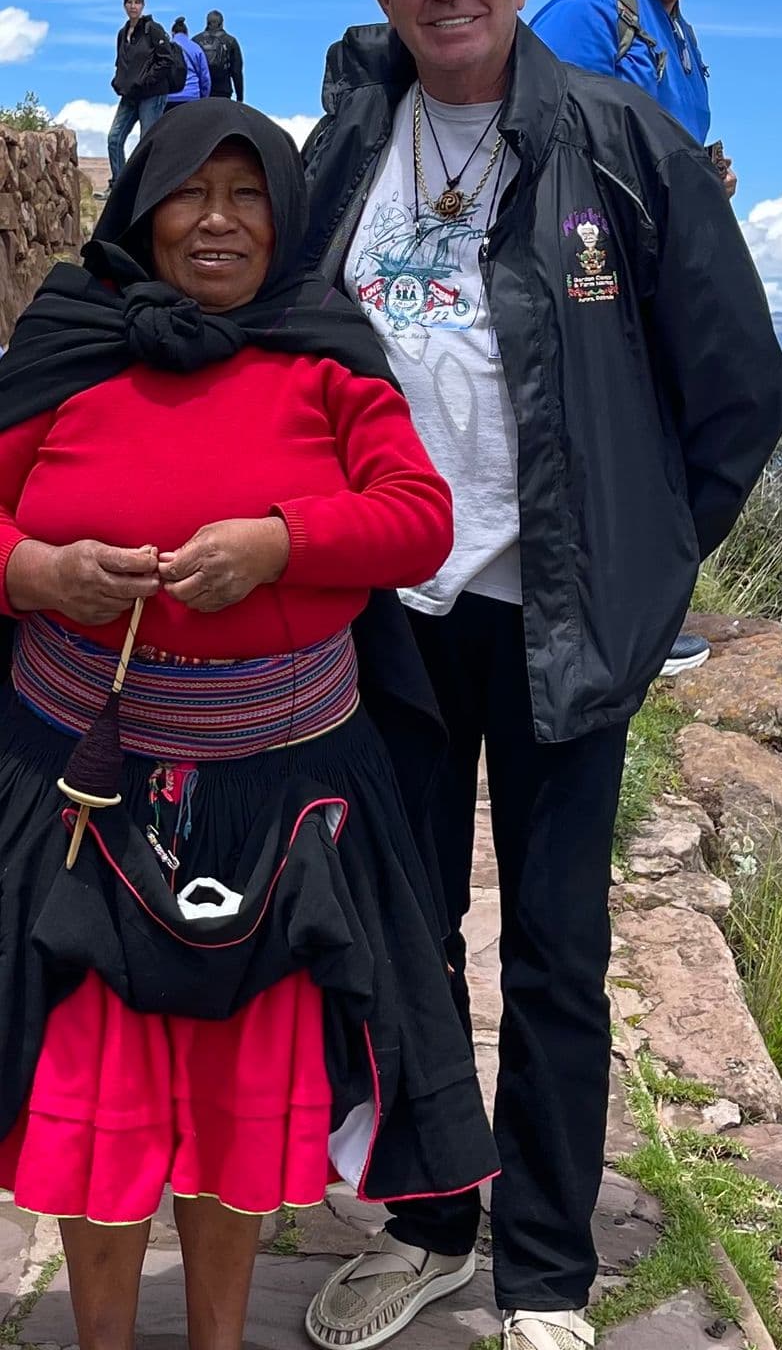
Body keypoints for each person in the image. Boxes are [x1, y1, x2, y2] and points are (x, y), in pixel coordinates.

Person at [301, 0, 782, 1350]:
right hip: (384, 611)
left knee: (560, 952)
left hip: (558, 614)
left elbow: (739, 390)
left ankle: (544, 1270)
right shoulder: (343, 147)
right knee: (400, 930)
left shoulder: (617, 140)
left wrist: (647, 570)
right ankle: (435, 1219)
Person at [0, 100, 497, 1350]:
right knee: (96, 1092)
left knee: (238, 1098)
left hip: (282, 800)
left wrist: (283, 540)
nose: (218, 220)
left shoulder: (326, 350)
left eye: (248, 194)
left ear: (287, 214)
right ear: (143, 208)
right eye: (189, 192)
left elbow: (417, 520)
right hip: (83, 798)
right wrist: (41, 573)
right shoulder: (67, 343)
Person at [531, 0, 735, 680]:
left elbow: (660, 142)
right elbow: (538, 114)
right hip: (594, 264)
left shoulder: (677, 31)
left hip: (658, 264)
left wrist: (703, 180)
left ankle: (642, 613)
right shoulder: (595, 7)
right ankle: (609, 623)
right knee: (612, 442)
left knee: (666, 434)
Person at [107, 0, 173, 184]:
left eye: (137, 2)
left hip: (152, 94)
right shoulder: (122, 33)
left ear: (143, 5)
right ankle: (120, 185)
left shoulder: (152, 29)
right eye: (130, 2)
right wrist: (118, 81)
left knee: (147, 141)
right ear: (124, 6)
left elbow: (166, 59)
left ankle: (147, 188)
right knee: (114, 139)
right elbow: (121, 61)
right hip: (130, 95)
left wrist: (146, 80)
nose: (133, 6)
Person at [194, 10, 245, 101]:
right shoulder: (231, 41)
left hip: (201, 91)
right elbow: (236, 72)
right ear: (222, 23)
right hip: (223, 91)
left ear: (207, 23)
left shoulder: (195, 41)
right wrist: (240, 98)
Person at [165, 17, 211, 106]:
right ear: (187, 33)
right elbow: (205, 78)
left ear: (173, 33)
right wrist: (204, 98)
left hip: (169, 98)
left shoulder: (167, 48)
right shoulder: (196, 48)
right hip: (192, 97)